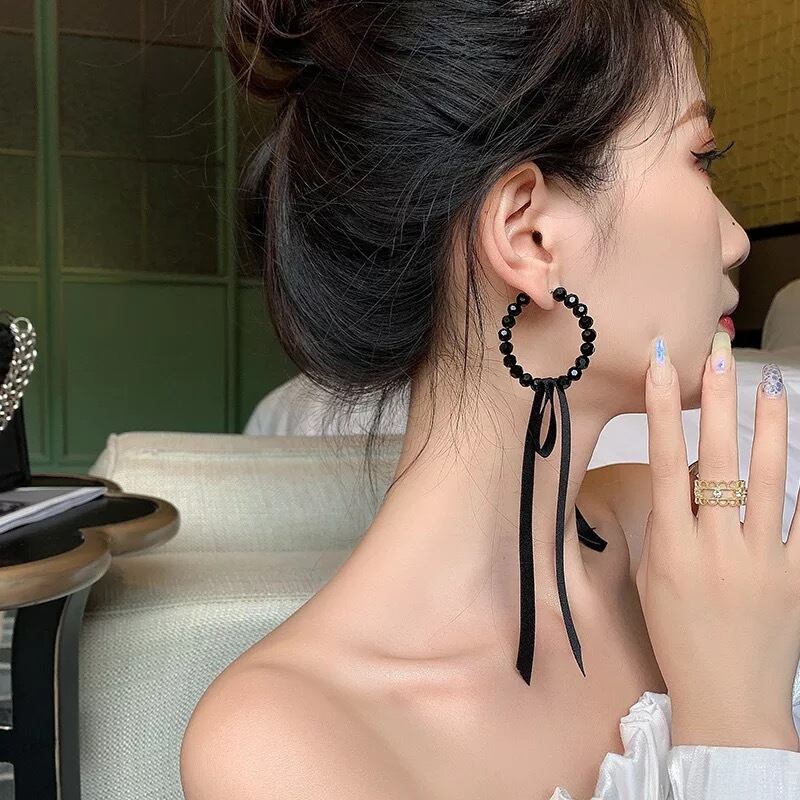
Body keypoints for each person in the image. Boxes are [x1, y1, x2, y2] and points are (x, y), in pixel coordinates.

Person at [181, 1, 800, 798]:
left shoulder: (687, 540)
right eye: (701, 157)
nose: (738, 239)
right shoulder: (280, 749)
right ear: (529, 237)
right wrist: (739, 725)